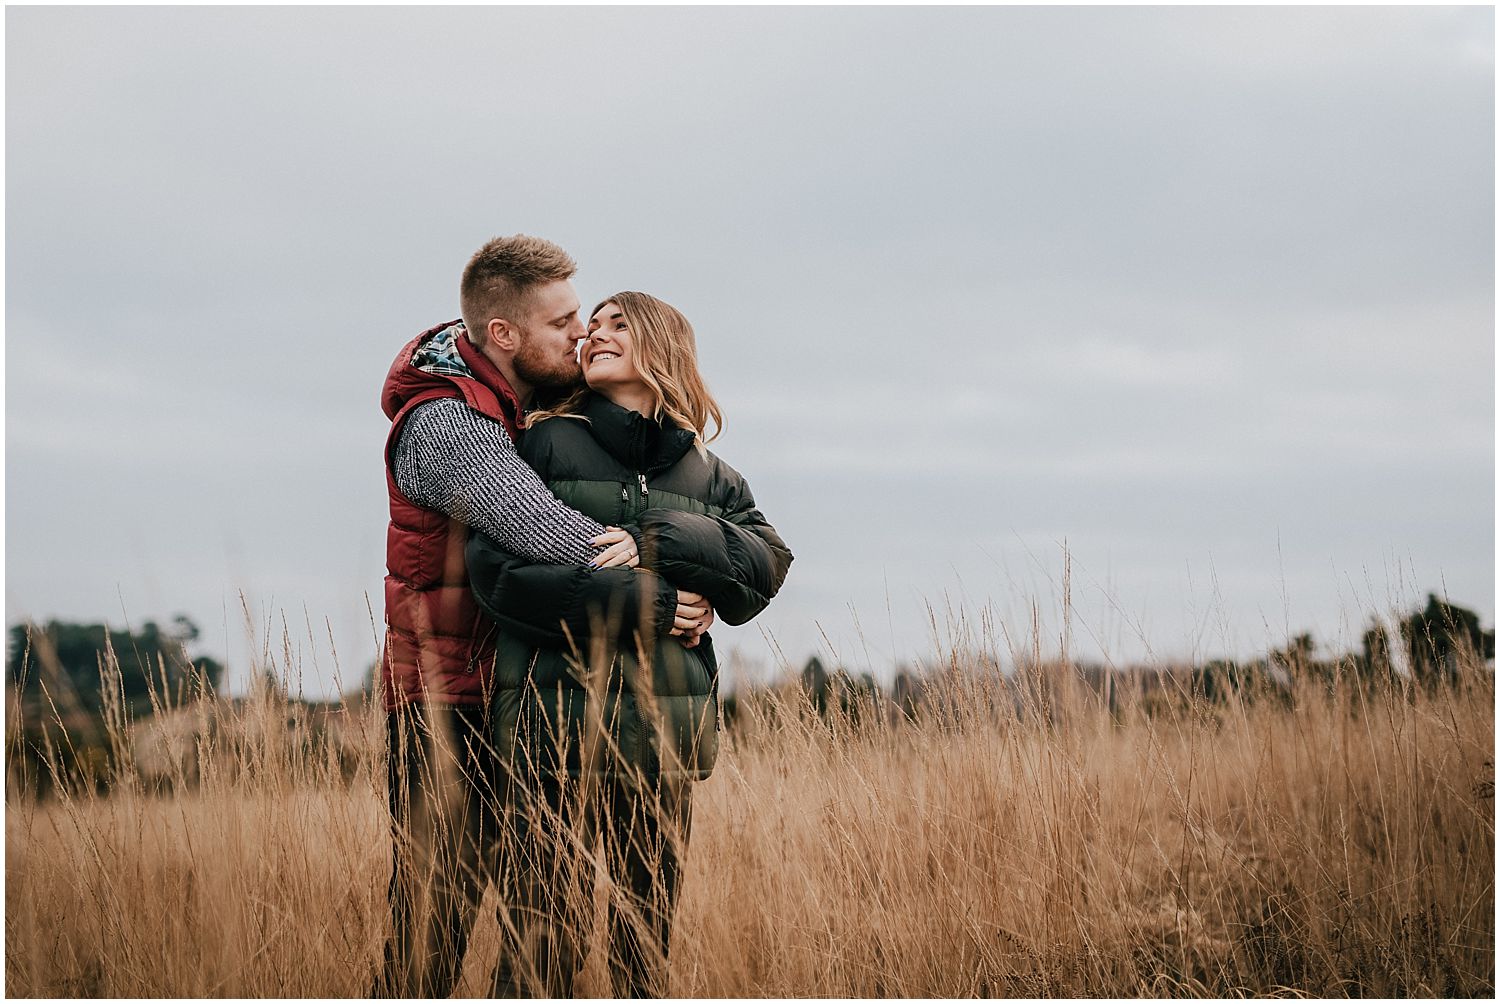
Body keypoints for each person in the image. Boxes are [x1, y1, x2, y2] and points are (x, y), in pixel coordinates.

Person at [375, 236, 712, 996]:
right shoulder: (448, 425)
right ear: (504, 335)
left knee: (542, 933)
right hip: (447, 706)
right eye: (564, 322)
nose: (582, 333)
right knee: (431, 935)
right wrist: (671, 596)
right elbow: (552, 534)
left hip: (521, 701)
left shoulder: (519, 408)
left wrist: (701, 564)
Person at [466, 291, 793, 996]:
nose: (595, 333)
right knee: (538, 961)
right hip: (553, 746)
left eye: (619, 323)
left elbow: (767, 567)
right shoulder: (544, 442)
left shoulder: (709, 473)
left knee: (641, 962)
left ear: (662, 347)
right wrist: (658, 601)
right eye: (595, 324)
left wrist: (656, 539)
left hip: (662, 751)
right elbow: (499, 578)